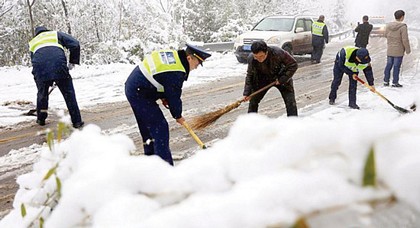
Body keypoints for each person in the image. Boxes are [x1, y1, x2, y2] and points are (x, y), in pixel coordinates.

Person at [125, 44, 211, 166]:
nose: (196, 68)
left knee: (148, 128)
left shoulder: (175, 58)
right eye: (197, 64)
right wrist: (178, 115)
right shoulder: (176, 71)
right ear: (189, 58)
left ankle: (151, 161)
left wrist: (163, 96)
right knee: (160, 127)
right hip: (139, 92)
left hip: (137, 86)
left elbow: (161, 78)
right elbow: (174, 96)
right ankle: (165, 167)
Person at [28, 26, 84, 128]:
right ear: (46, 30)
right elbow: (75, 44)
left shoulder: (33, 42)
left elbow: (34, 60)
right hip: (59, 66)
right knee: (69, 94)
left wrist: (42, 79)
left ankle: (41, 119)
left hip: (40, 69)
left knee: (42, 95)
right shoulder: (55, 34)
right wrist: (72, 61)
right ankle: (77, 121)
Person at [243, 40, 298, 116]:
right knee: (253, 101)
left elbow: (293, 65)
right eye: (256, 57)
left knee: (290, 101)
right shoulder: (252, 59)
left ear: (266, 52)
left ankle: (293, 121)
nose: (259, 59)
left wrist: (282, 79)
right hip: (263, 79)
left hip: (281, 77)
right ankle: (252, 122)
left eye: (261, 56)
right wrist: (247, 92)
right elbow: (250, 75)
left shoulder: (278, 53)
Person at [383, 10, 411, 88]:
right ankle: (395, 82)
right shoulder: (403, 27)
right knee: (396, 66)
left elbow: (385, 35)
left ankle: (386, 81)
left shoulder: (388, 25)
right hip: (399, 50)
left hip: (390, 49)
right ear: (402, 17)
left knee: (388, 65)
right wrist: (408, 50)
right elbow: (405, 39)